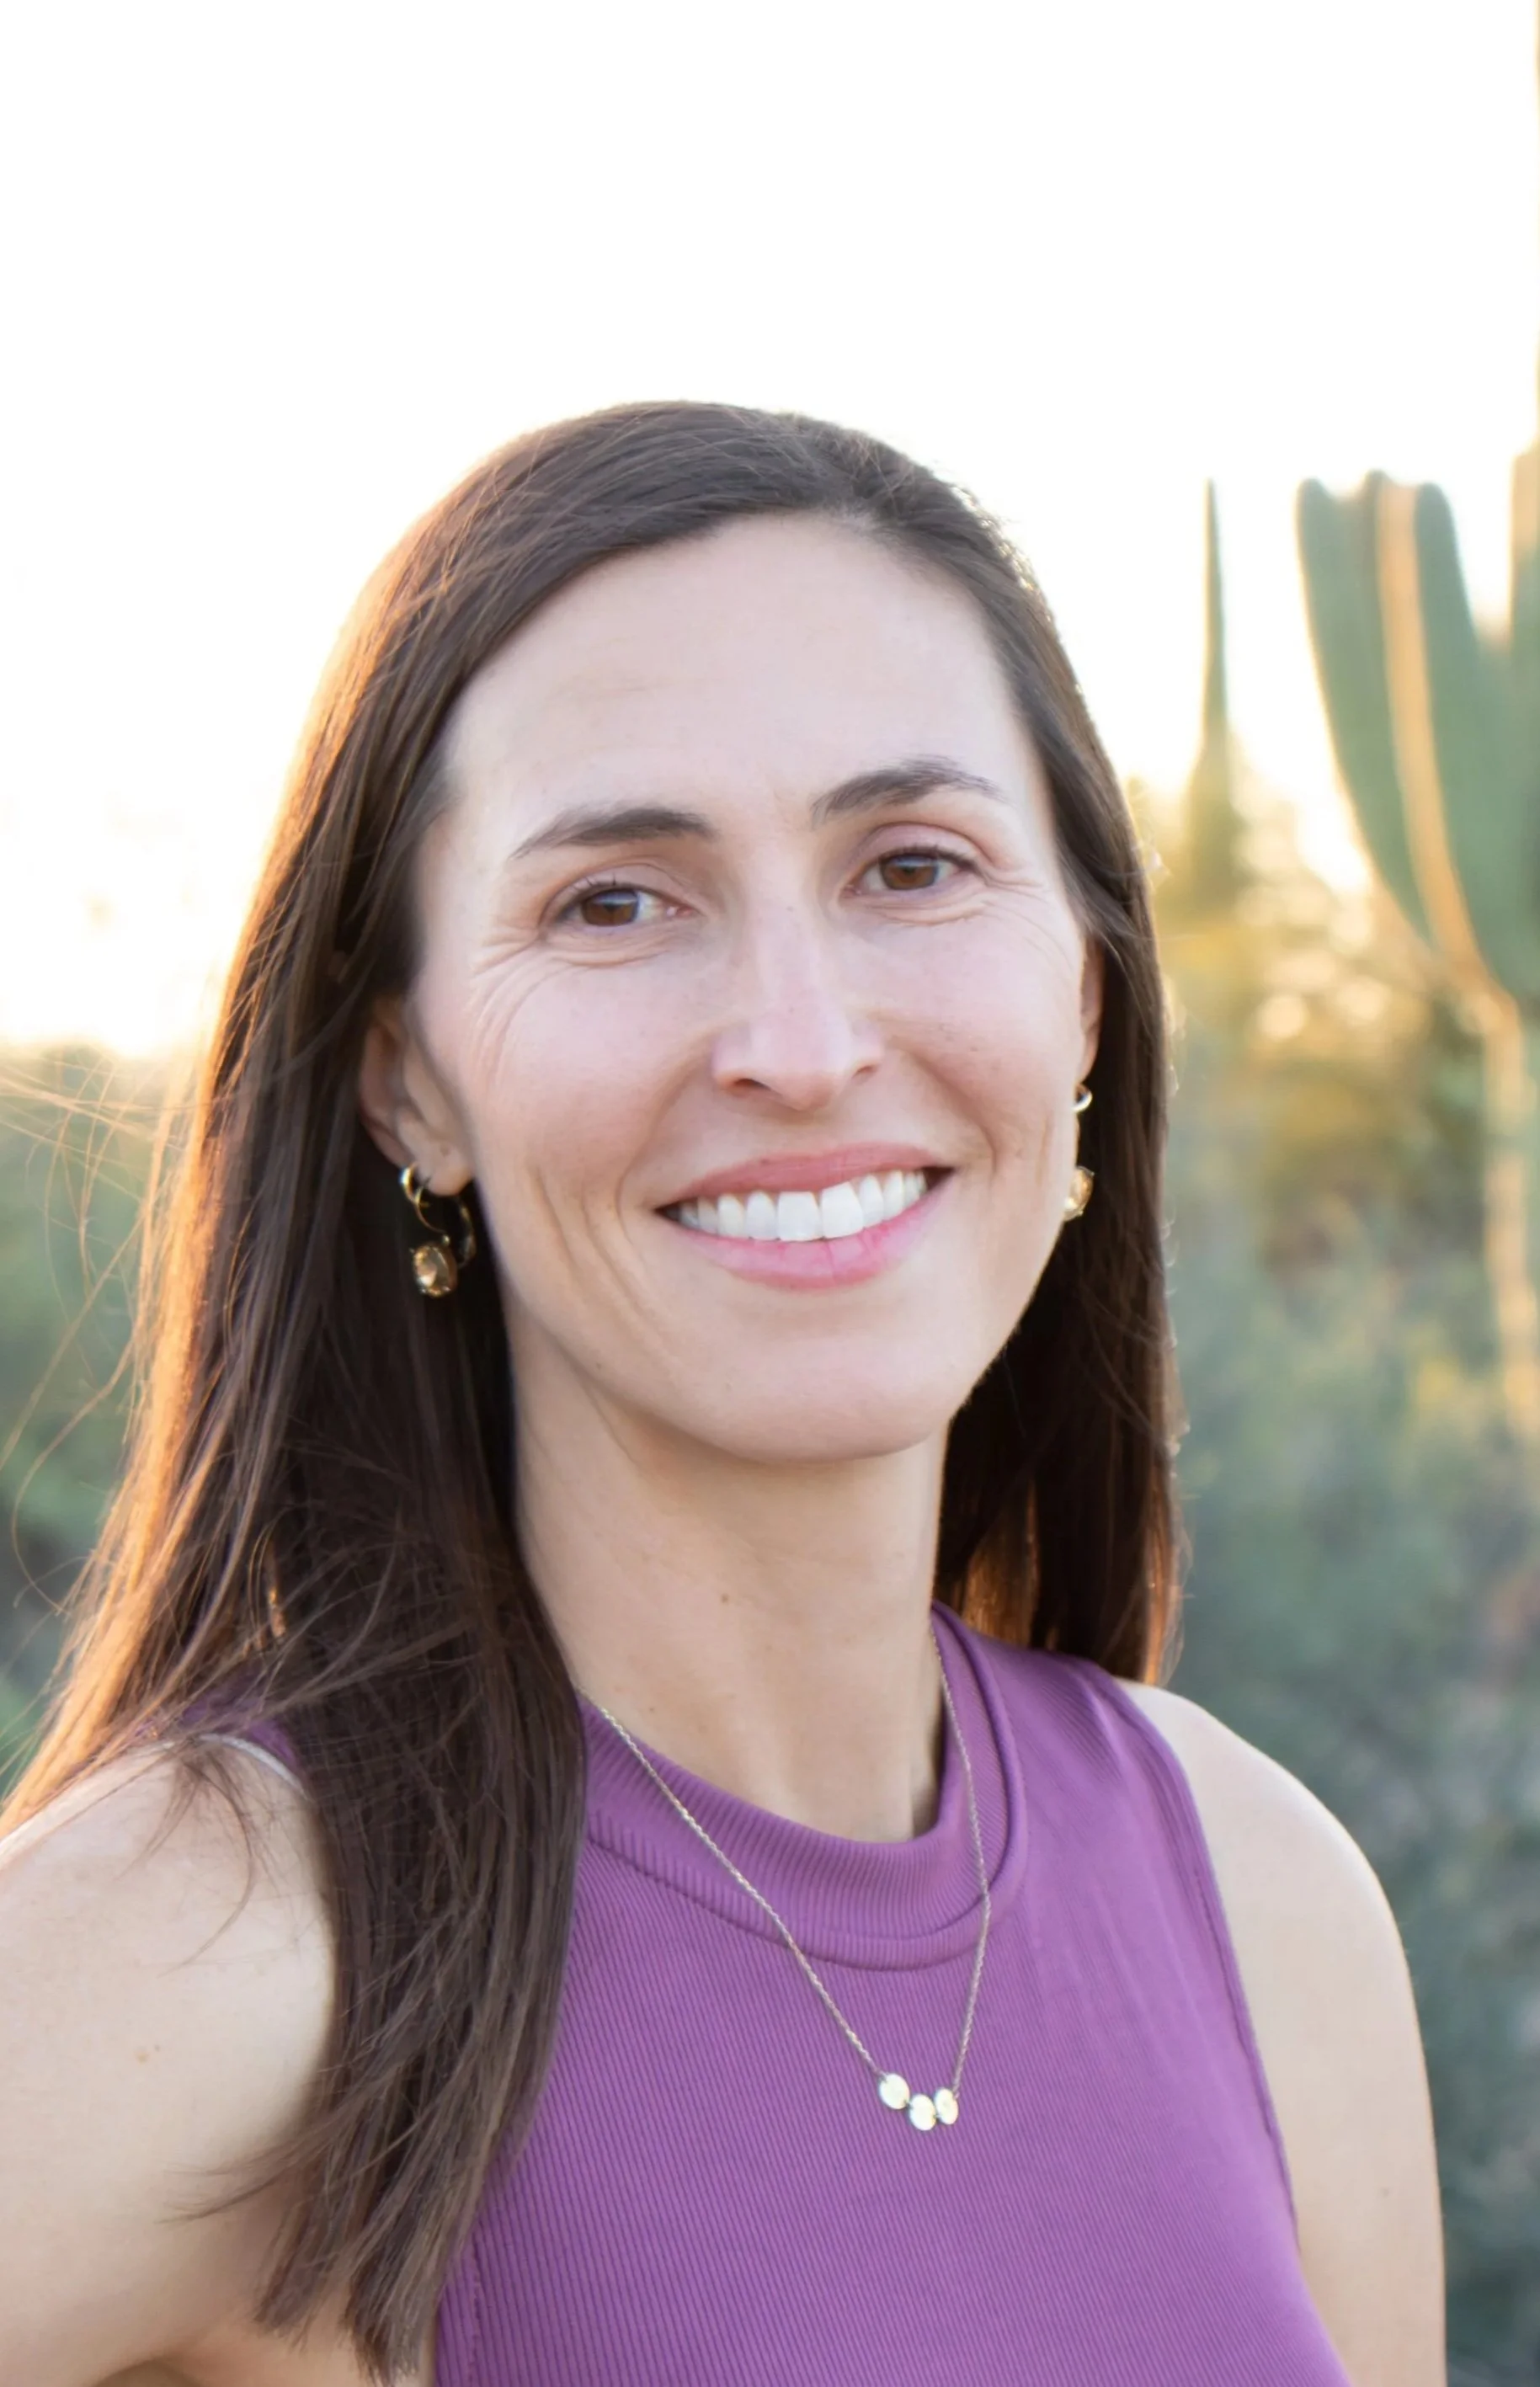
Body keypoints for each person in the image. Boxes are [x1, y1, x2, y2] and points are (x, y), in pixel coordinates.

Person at [0, 402, 1443, 2387]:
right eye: (616, 900)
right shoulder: (223, 1940)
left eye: (912, 866)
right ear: (404, 1078)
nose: (798, 1039)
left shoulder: (1264, 1904)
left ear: (1084, 998)